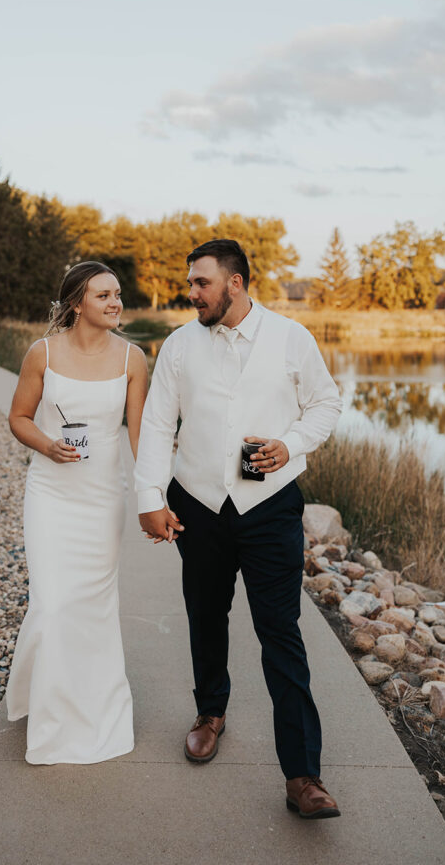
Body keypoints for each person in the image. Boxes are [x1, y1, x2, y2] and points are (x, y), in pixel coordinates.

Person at [134, 239, 343, 819]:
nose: (191, 292)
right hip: (197, 503)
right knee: (205, 613)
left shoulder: (292, 339)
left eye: (201, 282)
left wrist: (291, 444)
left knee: (281, 632)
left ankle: (303, 775)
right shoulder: (179, 345)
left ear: (236, 282)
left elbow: (326, 404)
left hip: (270, 507)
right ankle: (210, 712)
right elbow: (156, 425)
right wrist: (150, 497)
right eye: (191, 282)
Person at [6, 261, 148, 764]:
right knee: (52, 604)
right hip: (51, 495)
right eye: (104, 295)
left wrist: (157, 495)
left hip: (102, 499)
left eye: (117, 295)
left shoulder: (134, 359)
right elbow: (18, 418)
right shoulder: (41, 353)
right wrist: (47, 445)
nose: (115, 303)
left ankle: (97, 711)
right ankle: (49, 714)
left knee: (94, 607)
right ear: (76, 303)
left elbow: (139, 437)